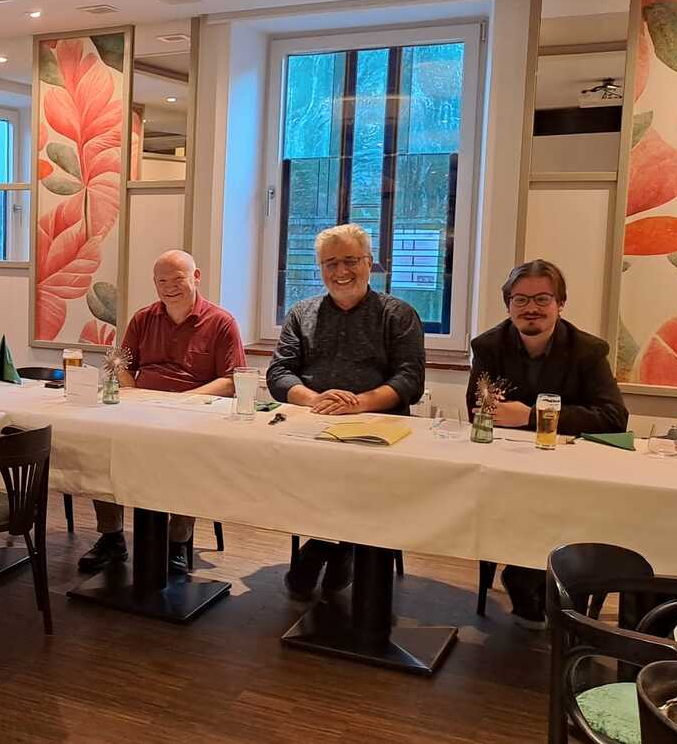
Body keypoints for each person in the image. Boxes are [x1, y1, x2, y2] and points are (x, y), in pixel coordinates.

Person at [267, 223, 426, 601]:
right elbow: (279, 373)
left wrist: (359, 402)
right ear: (321, 268)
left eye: (351, 261)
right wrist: (314, 400)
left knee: (362, 485)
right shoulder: (301, 313)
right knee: (279, 471)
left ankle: (324, 548)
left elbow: (410, 379)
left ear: (370, 263)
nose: (341, 271)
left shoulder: (398, 314)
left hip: (379, 431)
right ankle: (341, 548)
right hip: (312, 426)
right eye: (331, 263)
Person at [468, 259, 628, 629]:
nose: (531, 308)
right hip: (510, 465)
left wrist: (530, 415)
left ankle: (554, 579)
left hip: (572, 465)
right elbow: (480, 410)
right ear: (508, 305)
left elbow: (613, 418)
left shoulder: (588, 350)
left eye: (542, 298)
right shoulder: (488, 346)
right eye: (521, 299)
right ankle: (523, 574)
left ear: (560, 304)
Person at [78, 250, 247, 576]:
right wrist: (134, 394)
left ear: (196, 277)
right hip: (141, 409)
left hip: (193, 415)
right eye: (162, 281)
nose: (169, 287)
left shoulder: (221, 322)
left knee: (188, 462)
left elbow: (231, 381)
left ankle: (177, 542)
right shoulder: (143, 318)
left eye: (178, 279)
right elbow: (122, 364)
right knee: (102, 449)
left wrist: (182, 403)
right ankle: (112, 537)